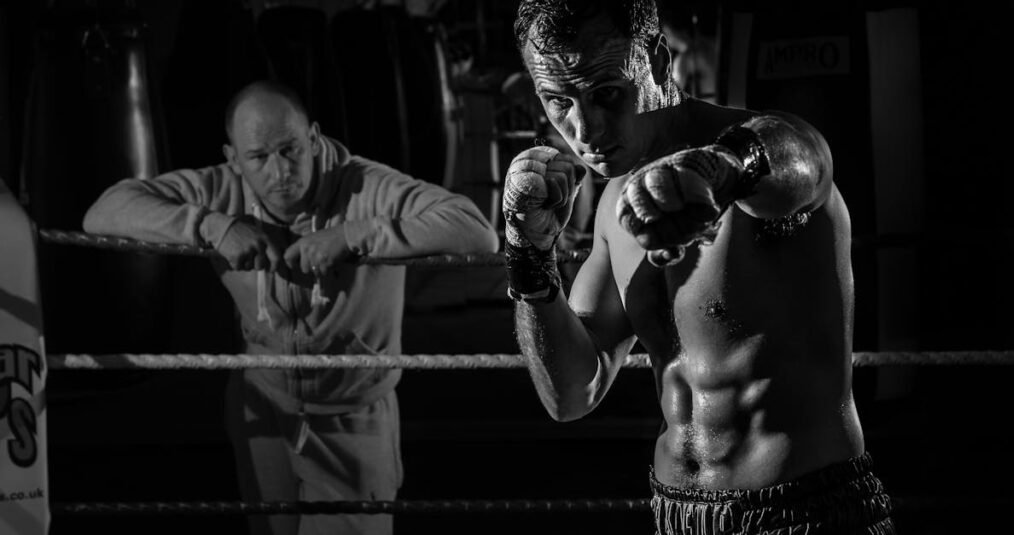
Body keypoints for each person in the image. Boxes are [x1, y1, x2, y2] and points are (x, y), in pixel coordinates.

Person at [503, 1, 895, 533]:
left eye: (606, 94)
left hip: (803, 513)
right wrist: (529, 257)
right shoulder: (614, 205)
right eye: (558, 101)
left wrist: (723, 168)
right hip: (679, 516)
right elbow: (571, 394)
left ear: (657, 62)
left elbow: (806, 158)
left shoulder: (758, 154)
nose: (585, 130)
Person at [83, 80, 498, 535]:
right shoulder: (219, 189)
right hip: (263, 405)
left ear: (313, 139)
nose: (279, 170)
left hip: (350, 413)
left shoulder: (366, 186)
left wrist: (354, 236)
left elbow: (477, 231)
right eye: (259, 157)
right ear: (233, 159)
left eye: (290, 150)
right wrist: (214, 227)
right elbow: (104, 211)